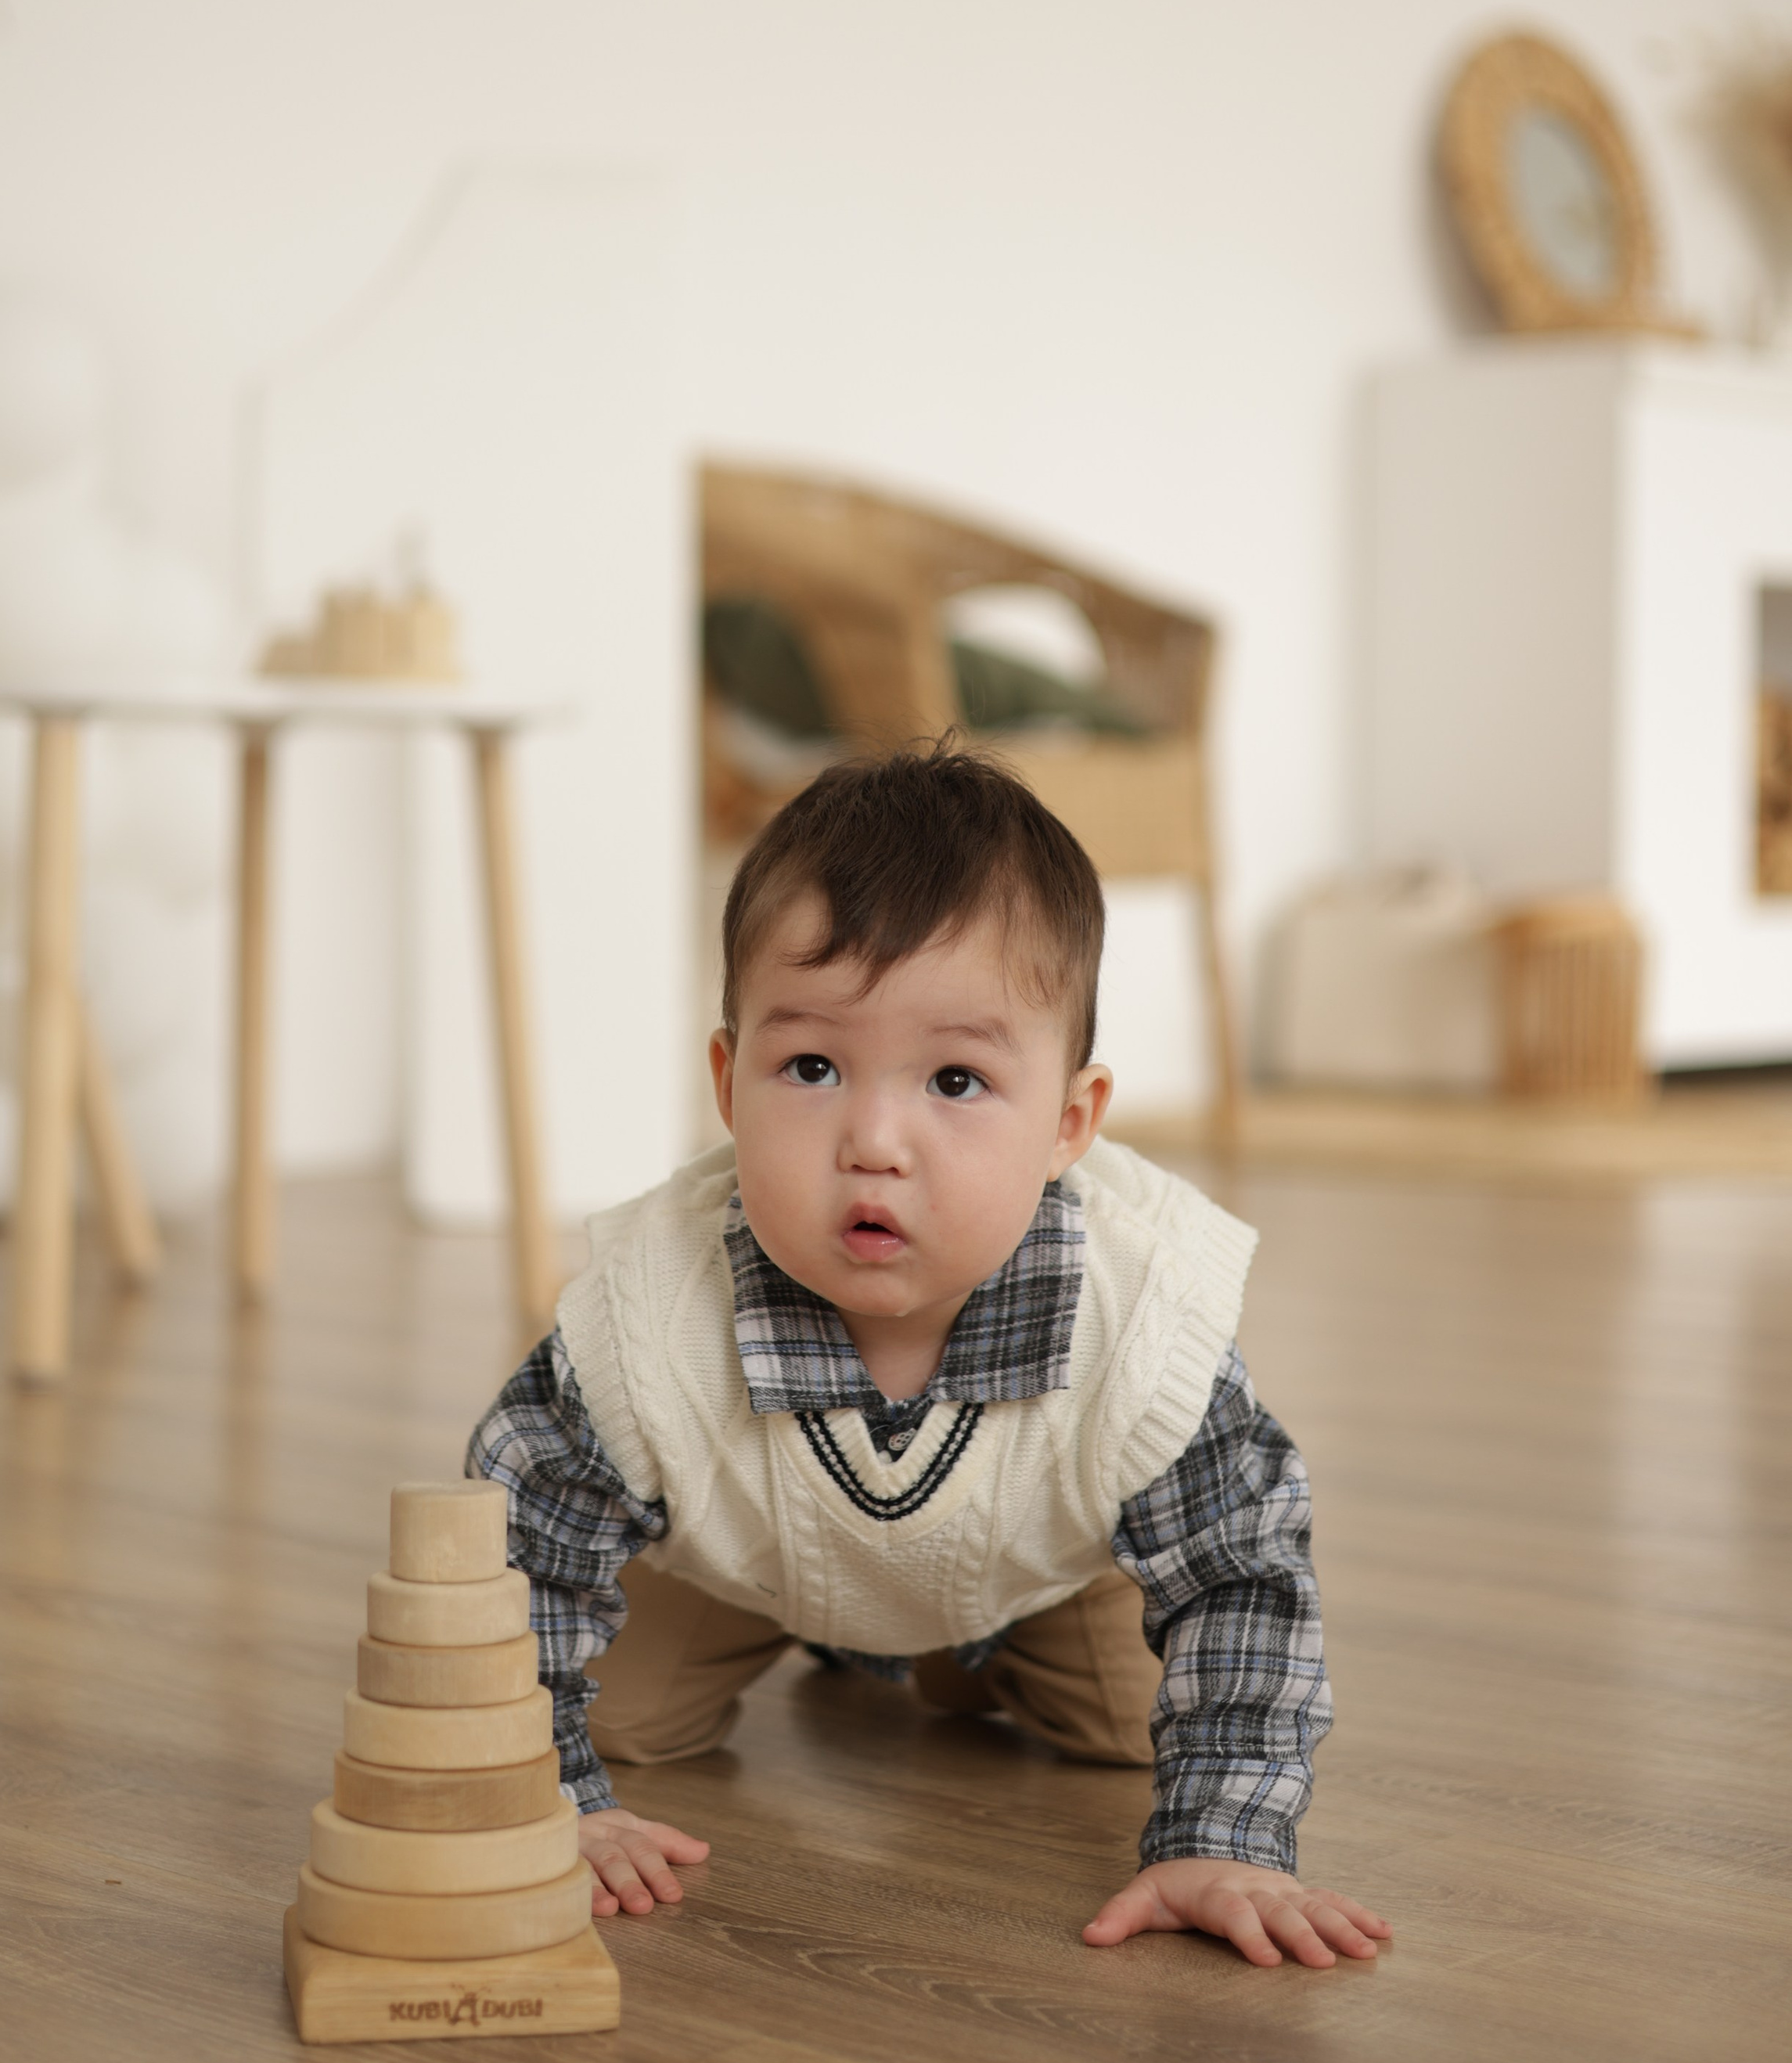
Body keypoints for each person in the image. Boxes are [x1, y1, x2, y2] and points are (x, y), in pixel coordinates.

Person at [467, 743, 1390, 1970]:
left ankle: (974, 1653)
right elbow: (517, 1542)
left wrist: (1225, 1840)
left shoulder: (1138, 1323)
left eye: (956, 1079)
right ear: (729, 1084)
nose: (875, 1139)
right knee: (622, 1722)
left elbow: (1242, 1574)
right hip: (738, 1558)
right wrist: (549, 1800)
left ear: (1068, 1123)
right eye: (812, 1068)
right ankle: (841, 1634)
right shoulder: (648, 1325)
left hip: (1039, 1566)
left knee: (1131, 1727)